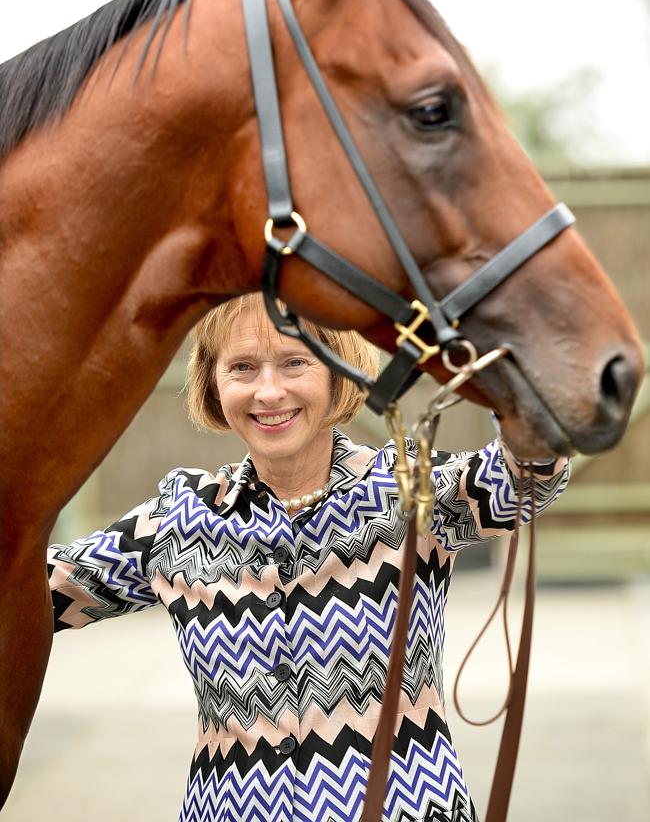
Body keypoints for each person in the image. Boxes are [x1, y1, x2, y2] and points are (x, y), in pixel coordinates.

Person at [47, 293, 570, 822]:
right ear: (212, 383)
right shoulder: (177, 520)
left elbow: (525, 476)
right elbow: (37, 593)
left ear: (339, 372)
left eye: (295, 362)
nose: (268, 392)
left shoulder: (409, 490)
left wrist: (516, 365)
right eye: (243, 368)